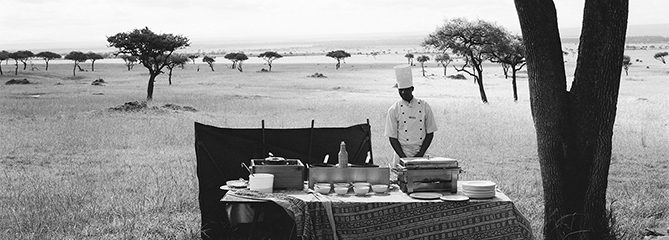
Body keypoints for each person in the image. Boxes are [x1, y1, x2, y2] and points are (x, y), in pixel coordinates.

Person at [384, 65, 438, 166]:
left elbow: (430, 133)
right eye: (400, 90)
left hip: (421, 152)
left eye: (406, 89)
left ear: (412, 89)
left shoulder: (424, 106)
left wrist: (420, 154)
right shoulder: (393, 110)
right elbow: (392, 137)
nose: (403, 92)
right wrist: (403, 158)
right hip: (401, 154)